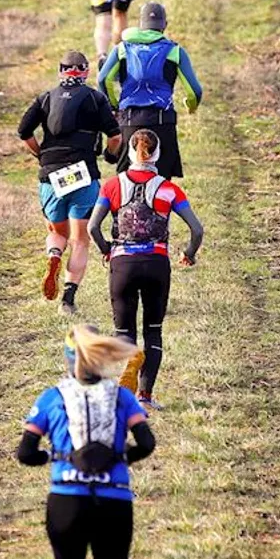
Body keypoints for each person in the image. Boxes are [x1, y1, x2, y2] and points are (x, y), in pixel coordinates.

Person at [17, 324, 156, 559]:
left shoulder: (51, 398)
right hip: (114, 500)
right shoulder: (122, 398)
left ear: (68, 360)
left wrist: (53, 456)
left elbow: (25, 453)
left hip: (66, 500)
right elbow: (146, 443)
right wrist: (120, 456)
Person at [87, 128, 204, 407]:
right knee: (153, 329)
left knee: (124, 331)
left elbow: (93, 227)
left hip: (122, 264)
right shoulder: (168, 188)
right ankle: (146, 395)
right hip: (156, 263)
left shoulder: (112, 185)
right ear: (157, 154)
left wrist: (107, 250)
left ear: (130, 152)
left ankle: (129, 365)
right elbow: (197, 230)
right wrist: (189, 253)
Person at [17, 51, 122, 311]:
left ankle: (54, 254)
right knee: (80, 240)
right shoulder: (95, 98)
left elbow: (23, 131)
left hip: (51, 176)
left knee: (57, 232)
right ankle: (68, 297)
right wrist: (109, 155)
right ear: (85, 72)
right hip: (83, 174)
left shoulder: (46, 98)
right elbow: (115, 136)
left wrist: (40, 153)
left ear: (61, 71)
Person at [98, 1, 201, 180]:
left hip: (129, 121)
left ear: (141, 24)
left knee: (124, 181)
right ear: (164, 25)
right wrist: (190, 106)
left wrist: (114, 106)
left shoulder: (122, 48)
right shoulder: (175, 51)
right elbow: (195, 91)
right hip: (163, 122)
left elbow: (103, 79)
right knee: (161, 183)